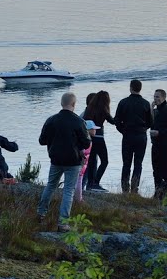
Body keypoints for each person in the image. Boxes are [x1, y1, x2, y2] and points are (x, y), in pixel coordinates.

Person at [37, 92, 92, 231]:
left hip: (55, 159)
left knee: (50, 186)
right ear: (74, 104)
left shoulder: (51, 120)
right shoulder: (79, 122)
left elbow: (42, 140)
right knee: (68, 191)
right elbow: (86, 143)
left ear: (62, 103)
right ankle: (63, 223)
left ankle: (41, 213)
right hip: (73, 161)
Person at [114, 79, 152, 194]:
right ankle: (134, 188)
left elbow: (117, 120)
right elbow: (151, 122)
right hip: (141, 136)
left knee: (126, 163)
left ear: (130, 88)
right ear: (140, 89)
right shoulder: (146, 103)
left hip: (127, 136)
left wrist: (123, 131)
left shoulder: (123, 102)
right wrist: (144, 129)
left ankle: (125, 189)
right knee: (138, 163)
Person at [149, 89, 167, 201]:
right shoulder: (155, 112)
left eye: (158, 97)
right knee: (155, 171)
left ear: (164, 98)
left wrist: (159, 132)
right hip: (155, 145)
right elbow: (149, 123)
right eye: (154, 97)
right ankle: (157, 194)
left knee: (166, 171)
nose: (155, 99)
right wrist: (151, 110)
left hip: (166, 146)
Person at [83, 90, 115, 192]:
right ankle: (96, 183)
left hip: (90, 139)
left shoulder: (89, 109)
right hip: (99, 138)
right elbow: (113, 121)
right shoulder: (103, 110)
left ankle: (90, 184)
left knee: (91, 161)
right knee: (104, 161)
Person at [73, 120, 98, 203]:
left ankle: (77, 197)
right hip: (81, 164)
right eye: (93, 129)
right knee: (79, 180)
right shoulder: (87, 141)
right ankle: (78, 199)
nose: (95, 130)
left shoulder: (84, 140)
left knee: (78, 180)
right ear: (88, 130)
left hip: (82, 164)